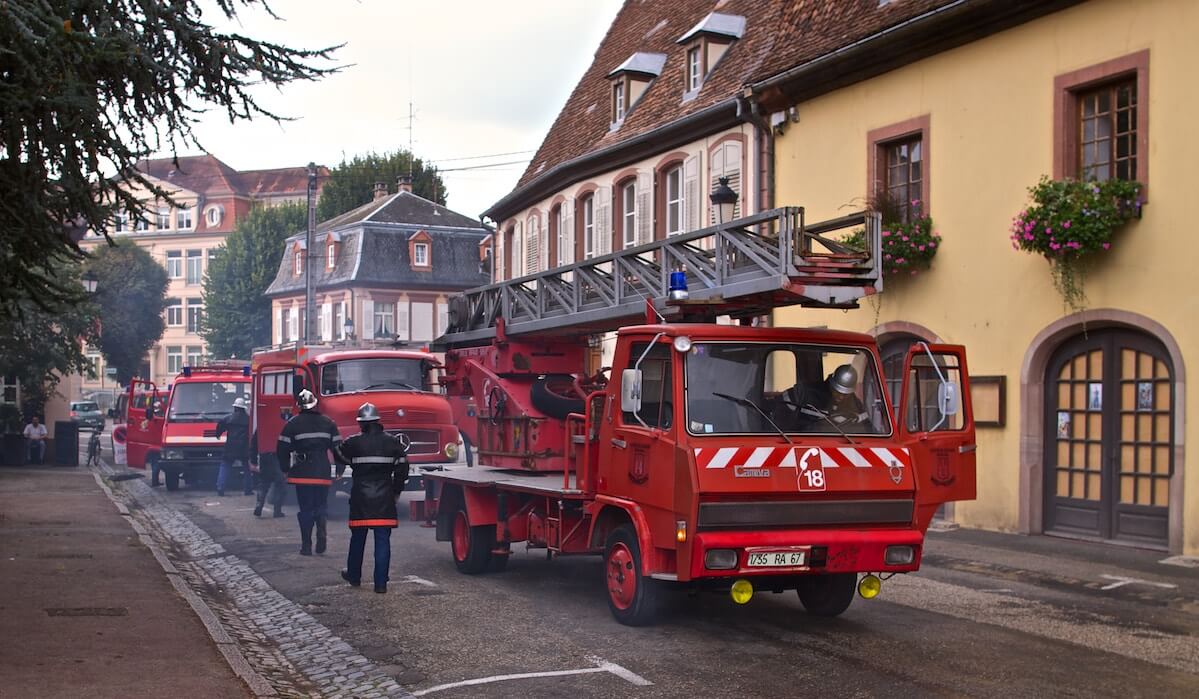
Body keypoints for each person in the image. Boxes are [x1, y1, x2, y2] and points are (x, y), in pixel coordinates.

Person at [337, 402, 408, 594]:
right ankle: (381, 584)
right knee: (383, 540)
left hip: (361, 496)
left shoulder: (353, 442)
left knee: (358, 538)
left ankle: (353, 576)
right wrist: (396, 491)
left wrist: (350, 462)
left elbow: (339, 454)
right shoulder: (393, 442)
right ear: (378, 421)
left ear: (361, 423)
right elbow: (403, 468)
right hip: (384, 496)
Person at [277, 388, 341, 556]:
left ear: (299, 405)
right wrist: (339, 469)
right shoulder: (329, 423)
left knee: (305, 508)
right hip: (322, 472)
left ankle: (306, 546)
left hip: (302, 473)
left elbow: (282, 449)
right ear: (315, 404)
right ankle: (321, 532)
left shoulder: (292, 423)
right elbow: (338, 448)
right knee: (321, 504)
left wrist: (285, 469)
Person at [214, 397, 251, 496]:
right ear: (244, 408)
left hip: (230, 447)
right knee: (247, 468)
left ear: (235, 408)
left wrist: (218, 434)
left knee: (225, 466)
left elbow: (220, 425)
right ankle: (248, 489)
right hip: (244, 447)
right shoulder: (249, 420)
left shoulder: (228, 418)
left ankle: (220, 487)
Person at [250, 429, 287, 518]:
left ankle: (259, 505)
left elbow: (254, 444)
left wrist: (253, 461)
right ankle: (277, 511)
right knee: (280, 484)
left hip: (265, 456)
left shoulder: (262, 426)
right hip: (279, 456)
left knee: (263, 483)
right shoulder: (283, 425)